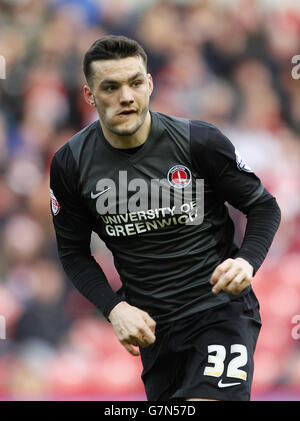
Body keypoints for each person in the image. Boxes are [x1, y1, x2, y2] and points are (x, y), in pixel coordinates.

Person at [49, 35, 281, 401]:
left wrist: (247, 262)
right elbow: (73, 253)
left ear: (150, 84)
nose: (126, 96)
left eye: (135, 83)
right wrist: (114, 309)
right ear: (90, 96)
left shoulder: (198, 141)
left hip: (219, 312)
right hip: (155, 332)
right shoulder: (71, 164)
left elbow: (264, 206)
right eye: (111, 87)